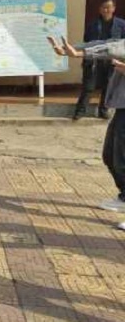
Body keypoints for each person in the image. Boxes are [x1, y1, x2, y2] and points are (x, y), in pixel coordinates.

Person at [50, 35, 125, 212]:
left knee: (121, 157)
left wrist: (78, 53)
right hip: (122, 107)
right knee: (110, 155)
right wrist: (72, 50)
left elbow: (112, 49)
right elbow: (106, 45)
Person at [73, 0, 125, 121]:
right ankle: (80, 111)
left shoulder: (122, 25)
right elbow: (87, 43)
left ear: (113, 8)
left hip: (112, 61)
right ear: (100, 9)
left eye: (108, 7)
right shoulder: (92, 25)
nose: (106, 10)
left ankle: (103, 110)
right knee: (88, 87)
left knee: (108, 86)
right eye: (103, 7)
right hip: (94, 61)